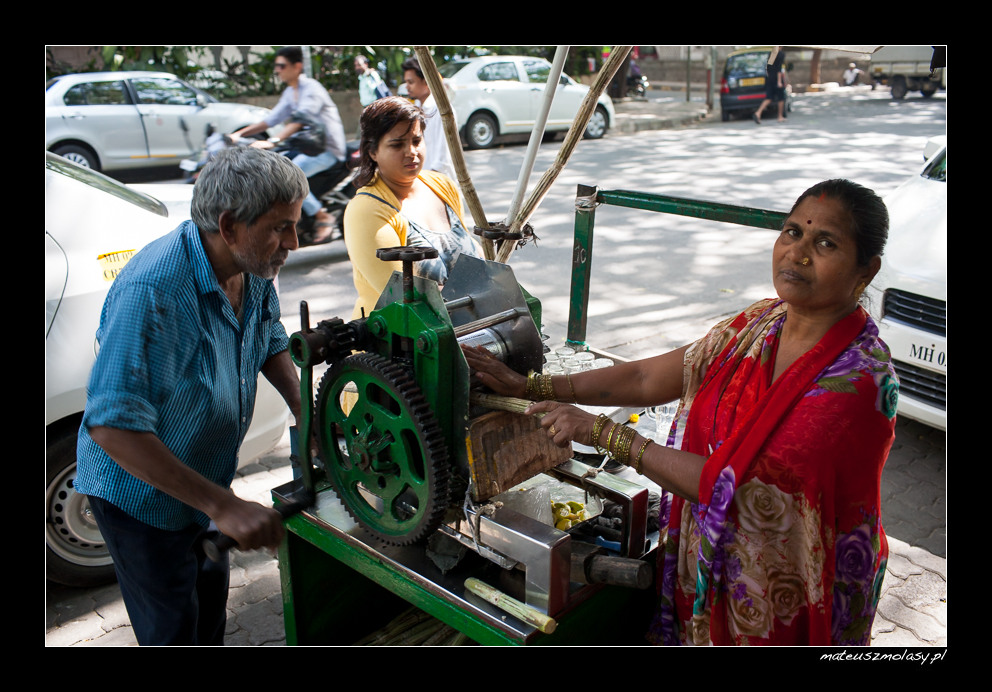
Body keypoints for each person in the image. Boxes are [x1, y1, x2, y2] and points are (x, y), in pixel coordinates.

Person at [463, 179, 899, 646]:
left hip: (793, 586)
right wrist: (531, 385)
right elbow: (646, 380)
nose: (798, 253)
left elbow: (736, 484)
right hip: (718, 565)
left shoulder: (856, 382)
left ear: (865, 270)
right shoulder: (757, 324)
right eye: (792, 232)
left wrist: (605, 434)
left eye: (825, 243)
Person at [74, 146, 308, 646]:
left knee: (208, 618)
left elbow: (267, 337)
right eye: (279, 226)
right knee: (173, 631)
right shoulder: (154, 291)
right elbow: (112, 425)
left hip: (202, 483)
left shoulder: (254, 265)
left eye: (294, 223)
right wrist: (223, 505)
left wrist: (304, 412)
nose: (294, 240)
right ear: (228, 226)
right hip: (140, 498)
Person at [342, 96, 480, 321]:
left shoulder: (442, 186)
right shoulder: (366, 210)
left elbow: (475, 260)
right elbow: (400, 296)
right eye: (397, 144)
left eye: (416, 140)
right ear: (372, 151)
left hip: (466, 329)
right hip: (401, 343)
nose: (411, 152)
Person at [231, 46, 347, 243]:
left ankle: (322, 216)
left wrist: (272, 141)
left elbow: (300, 120)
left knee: (291, 176)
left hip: (327, 149)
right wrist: (238, 134)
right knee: (274, 167)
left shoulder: (311, 89)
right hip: (307, 147)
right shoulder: (290, 92)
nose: (277, 70)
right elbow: (271, 119)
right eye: (276, 66)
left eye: (282, 66)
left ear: (297, 66)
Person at [401, 56, 457, 182]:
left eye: (411, 82)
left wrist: (427, 184)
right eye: (406, 82)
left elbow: (443, 159)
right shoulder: (418, 108)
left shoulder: (441, 110)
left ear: (426, 82)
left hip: (439, 184)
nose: (407, 87)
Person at [753, 46, 788, 123]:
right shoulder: (781, 54)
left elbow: (769, 67)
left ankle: (758, 112)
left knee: (769, 98)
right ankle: (780, 116)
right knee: (781, 98)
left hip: (769, 78)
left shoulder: (771, 53)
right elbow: (779, 69)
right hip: (776, 79)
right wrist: (779, 81)